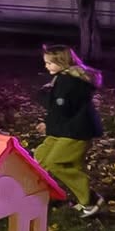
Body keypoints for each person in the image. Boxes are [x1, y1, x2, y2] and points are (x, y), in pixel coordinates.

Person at [34, 44, 105, 217]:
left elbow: (60, 107)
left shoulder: (69, 81)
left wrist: (42, 96)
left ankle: (90, 200)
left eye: (49, 63)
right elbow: (62, 108)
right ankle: (38, 196)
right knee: (41, 157)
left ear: (62, 62)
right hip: (64, 129)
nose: (46, 66)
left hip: (76, 132)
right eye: (46, 62)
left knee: (55, 163)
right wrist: (49, 123)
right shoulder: (66, 78)